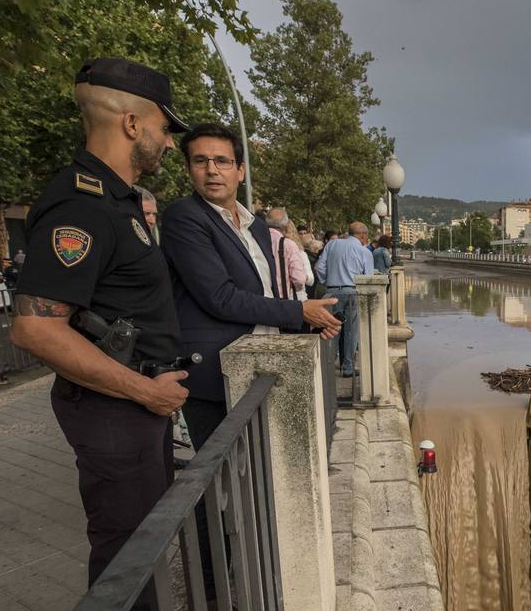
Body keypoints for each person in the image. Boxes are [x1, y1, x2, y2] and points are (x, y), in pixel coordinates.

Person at [8, 57, 200, 611]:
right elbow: (35, 326)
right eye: (162, 128)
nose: (168, 142)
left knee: (142, 546)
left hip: (135, 405)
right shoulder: (81, 203)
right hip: (117, 410)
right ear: (130, 122)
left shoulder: (117, 200)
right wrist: (143, 388)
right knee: (125, 558)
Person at [160, 122, 340, 454]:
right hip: (217, 374)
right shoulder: (183, 217)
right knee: (224, 484)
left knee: (262, 471)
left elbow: (263, 295)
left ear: (240, 171)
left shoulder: (255, 226)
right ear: (188, 169)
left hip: (262, 364)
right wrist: (299, 310)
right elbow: (220, 297)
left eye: (222, 161)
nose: (212, 170)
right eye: (201, 161)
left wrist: (307, 322)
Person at [315, 221, 374, 376]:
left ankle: (327, 366)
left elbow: (319, 267)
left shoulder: (331, 245)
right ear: (362, 235)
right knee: (350, 332)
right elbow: (368, 279)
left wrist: (328, 281)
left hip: (331, 293)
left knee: (331, 330)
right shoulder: (364, 251)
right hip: (353, 293)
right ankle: (347, 368)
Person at [264, 206, 312, 299]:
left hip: (261, 299)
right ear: (285, 225)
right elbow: (299, 279)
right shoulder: (288, 245)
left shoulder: (257, 241)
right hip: (283, 299)